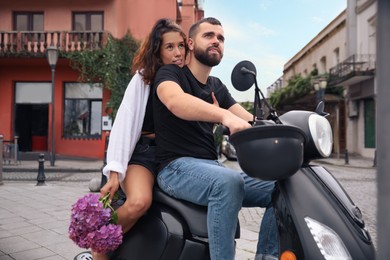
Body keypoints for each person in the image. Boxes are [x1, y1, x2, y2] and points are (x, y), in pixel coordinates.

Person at [153, 17, 279, 260]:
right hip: (174, 168)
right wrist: (223, 115)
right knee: (228, 182)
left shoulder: (216, 86)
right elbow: (175, 101)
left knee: (281, 187)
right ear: (190, 43)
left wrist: (281, 126)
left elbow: (250, 120)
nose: (216, 41)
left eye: (221, 38)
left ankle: (267, 256)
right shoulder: (171, 74)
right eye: (209, 35)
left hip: (211, 167)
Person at [94, 18, 188, 260]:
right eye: (170, 47)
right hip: (145, 155)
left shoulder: (187, 80)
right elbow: (124, 123)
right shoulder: (144, 78)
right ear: (157, 50)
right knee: (139, 202)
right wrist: (115, 171)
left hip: (175, 158)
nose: (178, 53)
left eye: (181, 46)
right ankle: (99, 245)